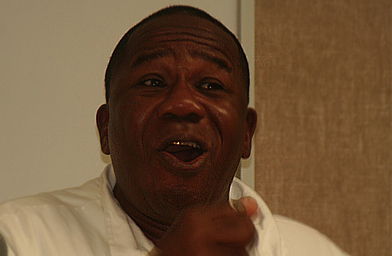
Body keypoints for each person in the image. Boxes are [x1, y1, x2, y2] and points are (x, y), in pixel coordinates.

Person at [0, 5, 349, 256]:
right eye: (153, 82)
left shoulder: (314, 250)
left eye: (211, 86)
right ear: (105, 129)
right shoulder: (18, 238)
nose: (183, 104)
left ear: (246, 133)